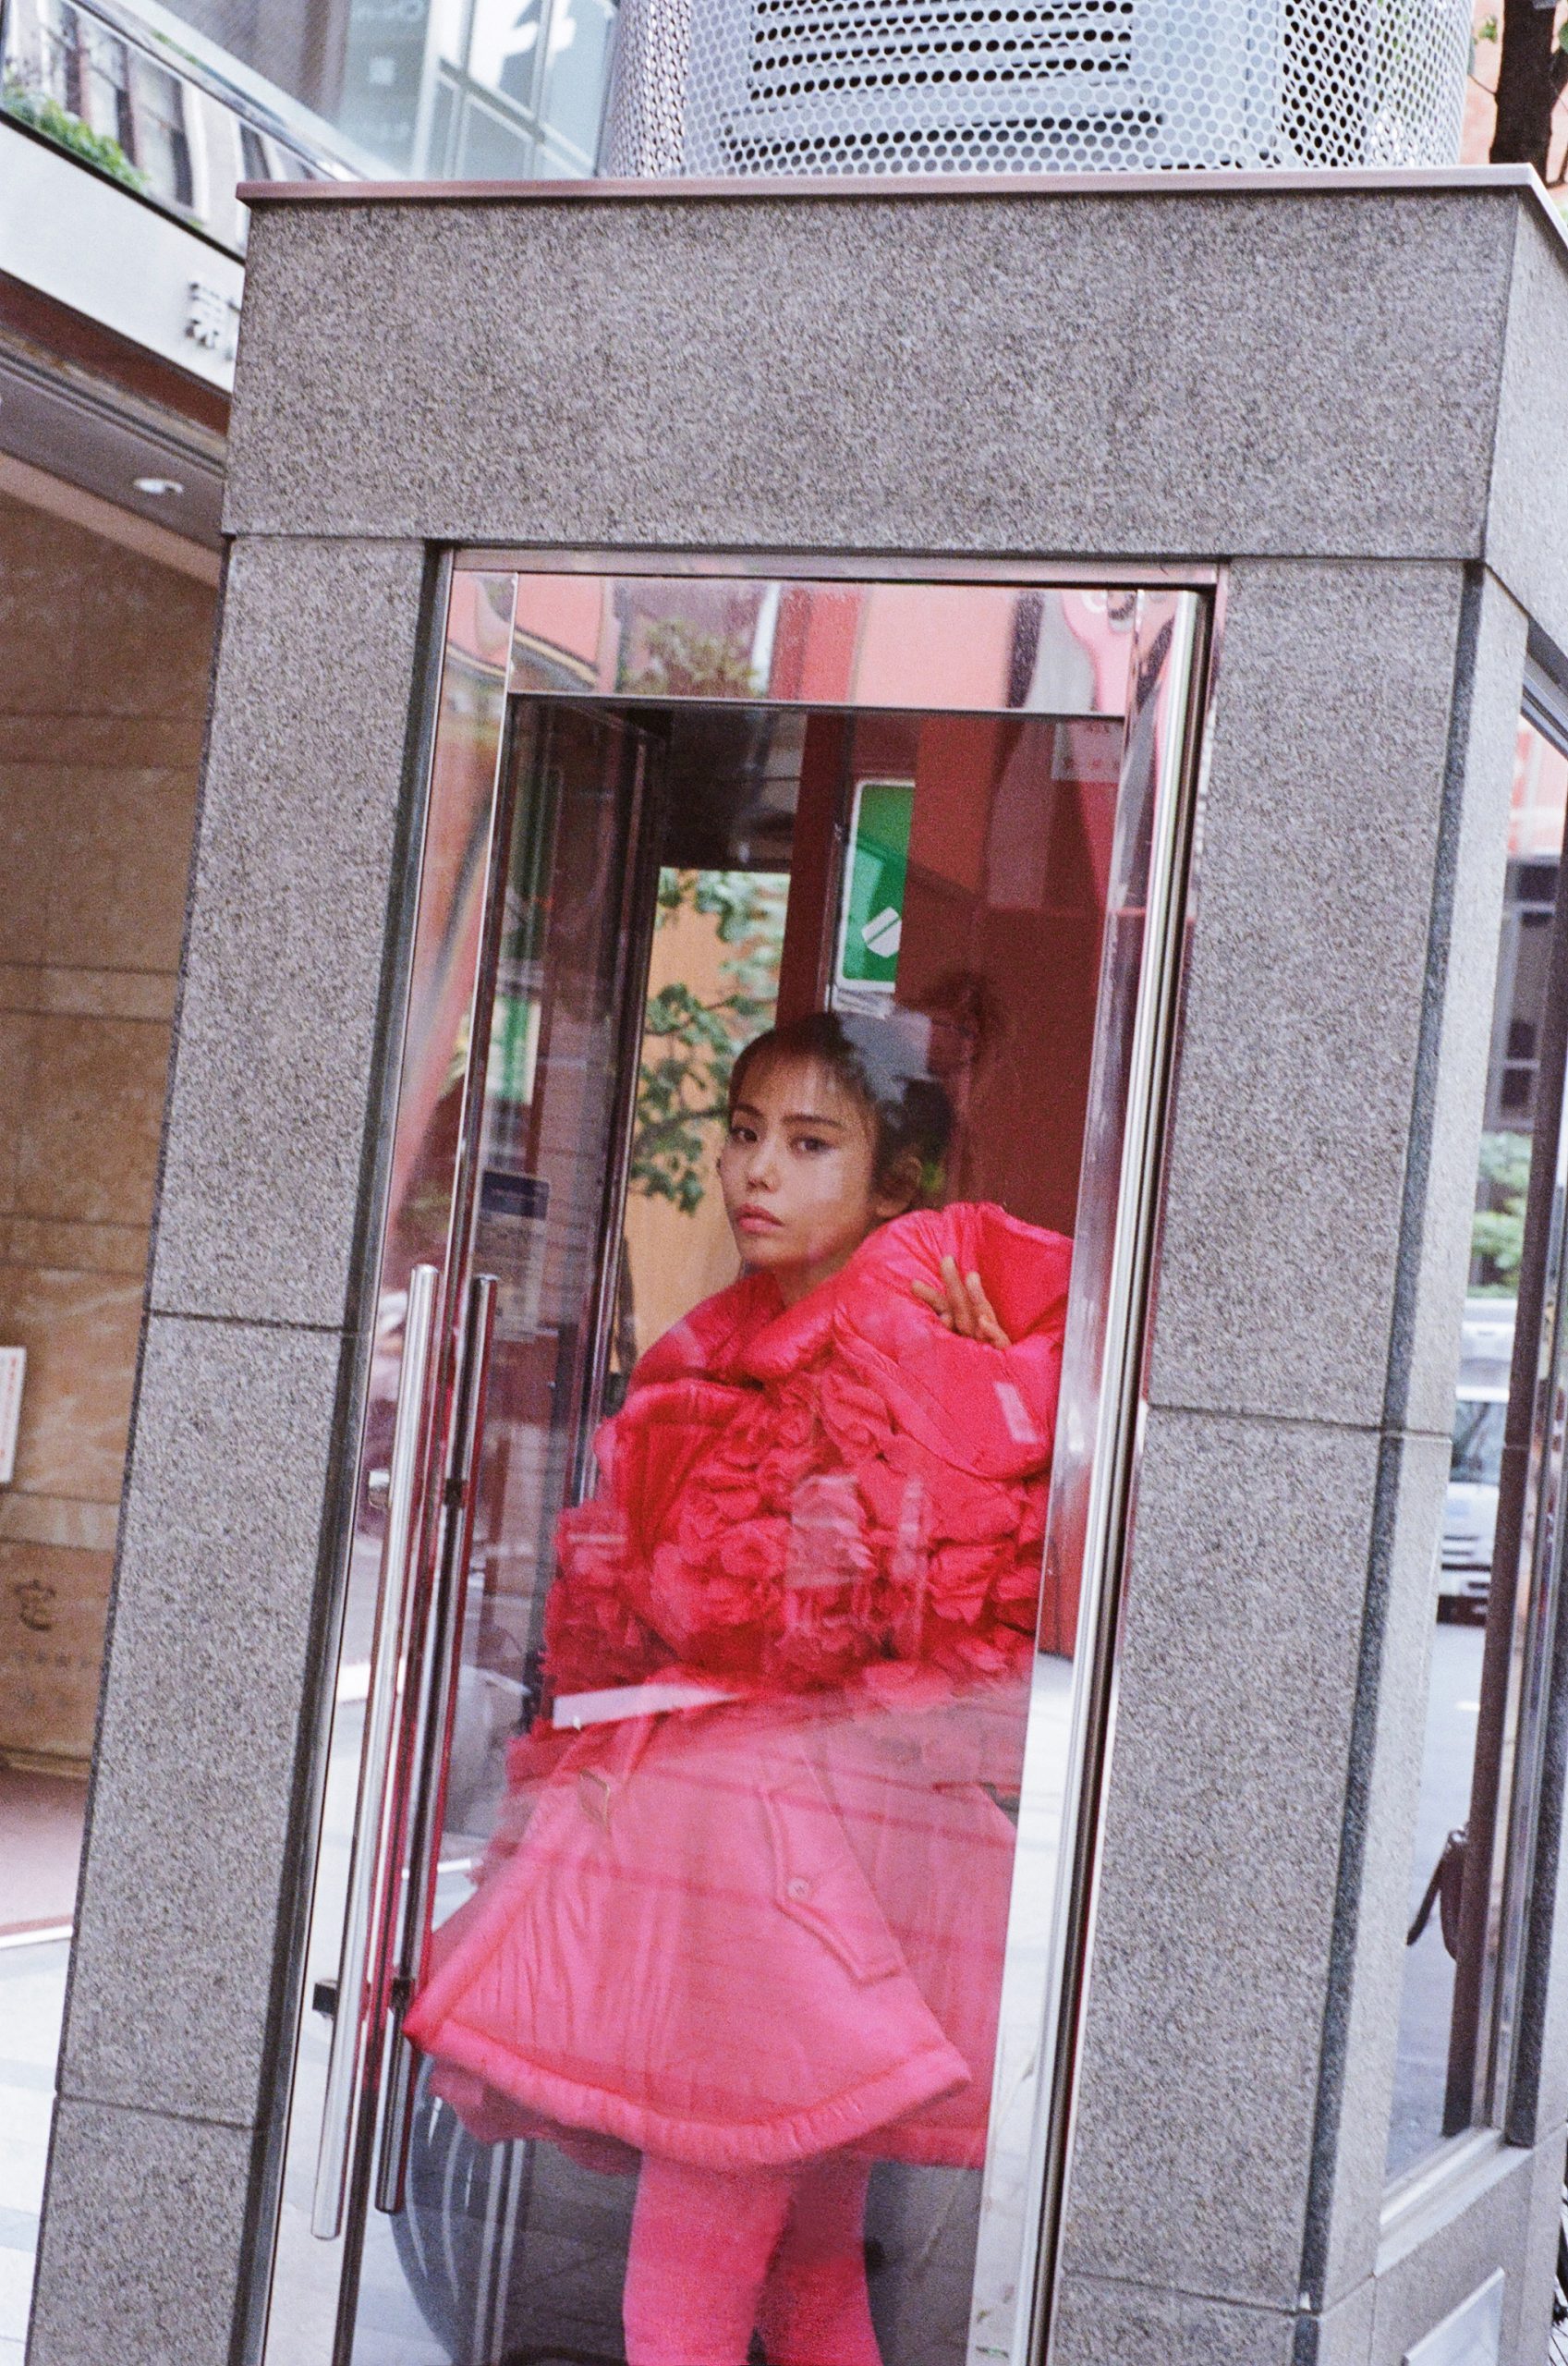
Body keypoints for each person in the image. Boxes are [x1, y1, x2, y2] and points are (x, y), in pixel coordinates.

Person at [406, 1008, 1072, 2366]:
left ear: (894, 1187)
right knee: (806, 2259)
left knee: (697, 2267)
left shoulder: (910, 1341)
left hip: (785, 1842)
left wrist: (969, 1375)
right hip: (756, 1828)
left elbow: (922, 1602)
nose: (757, 1170)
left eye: (811, 1144)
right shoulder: (716, 1348)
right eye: (745, 1133)